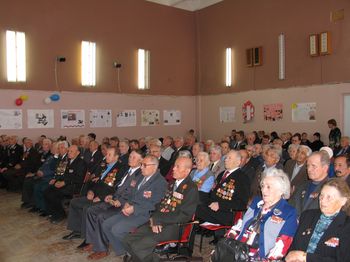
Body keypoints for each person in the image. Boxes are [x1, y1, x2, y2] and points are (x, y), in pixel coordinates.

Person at [86, 155, 167, 260]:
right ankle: (124, 251)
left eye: (144, 165)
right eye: (141, 164)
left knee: (117, 229)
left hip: (145, 214)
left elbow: (156, 204)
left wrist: (134, 208)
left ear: (154, 167)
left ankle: (133, 252)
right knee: (106, 224)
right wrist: (128, 203)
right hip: (131, 209)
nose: (141, 167)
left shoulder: (160, 182)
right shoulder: (142, 177)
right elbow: (132, 194)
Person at [122, 156, 199, 262]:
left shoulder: (191, 188)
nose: (173, 169)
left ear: (187, 170)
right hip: (158, 221)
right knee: (127, 240)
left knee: (139, 246)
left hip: (174, 227)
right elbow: (159, 205)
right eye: (174, 166)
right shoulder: (172, 184)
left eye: (177, 166)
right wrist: (154, 218)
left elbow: (184, 215)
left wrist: (159, 220)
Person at [226, 168, 298, 260]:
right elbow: (241, 226)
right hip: (238, 251)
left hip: (259, 257)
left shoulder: (288, 212)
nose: (263, 190)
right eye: (263, 186)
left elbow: (281, 247)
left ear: (281, 191)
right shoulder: (256, 203)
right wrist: (228, 243)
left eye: (268, 187)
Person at [77, 150, 143, 250]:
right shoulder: (128, 170)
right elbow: (117, 186)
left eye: (134, 157)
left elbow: (133, 194)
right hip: (113, 199)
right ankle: (91, 241)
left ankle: (102, 249)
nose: (130, 158)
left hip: (124, 205)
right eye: (130, 156)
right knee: (90, 211)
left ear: (140, 161)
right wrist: (111, 195)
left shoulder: (140, 175)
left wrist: (120, 201)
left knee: (101, 216)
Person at [62, 146, 121, 240]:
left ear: (116, 157)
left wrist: (101, 197)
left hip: (105, 198)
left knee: (87, 208)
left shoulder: (120, 169)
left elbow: (116, 188)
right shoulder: (104, 166)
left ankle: (88, 238)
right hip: (95, 194)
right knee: (74, 202)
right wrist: (91, 191)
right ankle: (77, 230)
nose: (106, 156)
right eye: (106, 154)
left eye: (110, 155)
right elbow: (94, 181)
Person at [286, 178, 350, 262]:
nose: (322, 200)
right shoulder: (307, 215)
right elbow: (293, 247)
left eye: (329, 197)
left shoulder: (347, 225)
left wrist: (306, 257)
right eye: (321, 195)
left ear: (343, 201)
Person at [196, 150, 250, 226]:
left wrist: (220, 205)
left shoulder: (242, 178)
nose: (225, 160)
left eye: (229, 158)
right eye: (226, 157)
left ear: (238, 162)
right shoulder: (222, 174)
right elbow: (214, 194)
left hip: (225, 213)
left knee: (196, 208)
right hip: (212, 207)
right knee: (194, 199)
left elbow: (242, 203)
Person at [43, 145, 87, 223]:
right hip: (65, 184)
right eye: (68, 151)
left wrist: (64, 182)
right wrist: (57, 181)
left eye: (71, 151)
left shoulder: (81, 163)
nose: (69, 153)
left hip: (74, 186)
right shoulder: (67, 161)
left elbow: (79, 178)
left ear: (78, 153)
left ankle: (60, 215)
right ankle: (53, 212)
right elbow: (63, 174)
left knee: (54, 194)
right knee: (47, 190)